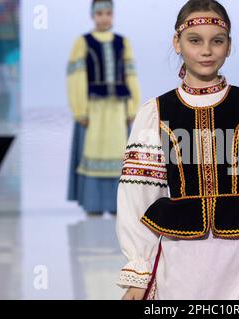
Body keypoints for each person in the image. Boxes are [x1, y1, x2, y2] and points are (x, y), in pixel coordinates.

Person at [116, 0, 239, 300]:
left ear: (229, 46)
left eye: (217, 41)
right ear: (176, 43)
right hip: (179, 253)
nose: (206, 50)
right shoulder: (157, 112)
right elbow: (138, 192)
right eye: (194, 40)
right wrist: (139, 267)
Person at [67, 0, 141, 216]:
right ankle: (93, 203)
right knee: (94, 148)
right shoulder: (83, 42)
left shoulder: (122, 42)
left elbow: (130, 75)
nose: (104, 17)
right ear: (93, 16)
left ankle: (118, 203)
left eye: (108, 13)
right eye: (100, 13)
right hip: (95, 109)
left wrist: (132, 107)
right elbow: (76, 77)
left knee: (117, 151)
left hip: (117, 109)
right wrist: (80, 109)